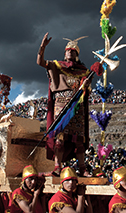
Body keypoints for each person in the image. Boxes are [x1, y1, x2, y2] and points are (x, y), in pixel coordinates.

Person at [37, 32, 92, 177]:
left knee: (79, 139)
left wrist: (85, 85)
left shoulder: (84, 71)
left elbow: (88, 92)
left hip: (77, 106)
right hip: (61, 104)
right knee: (59, 138)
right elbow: (40, 62)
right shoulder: (57, 66)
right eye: (67, 51)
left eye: (72, 51)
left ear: (77, 54)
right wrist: (42, 47)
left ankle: (82, 168)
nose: (69, 53)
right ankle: (57, 167)